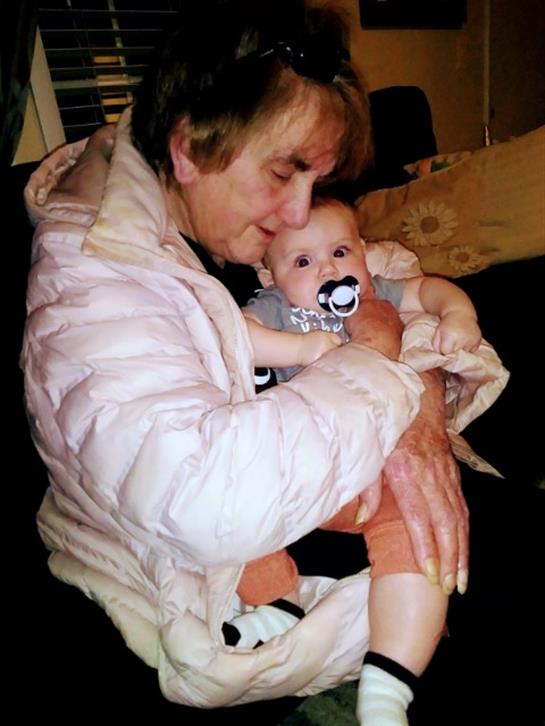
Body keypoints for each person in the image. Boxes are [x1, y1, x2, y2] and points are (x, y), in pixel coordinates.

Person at [21, 0, 508, 721]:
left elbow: (385, 287)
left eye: (315, 182)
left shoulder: (214, 217)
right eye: (284, 174)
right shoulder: (93, 283)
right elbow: (212, 502)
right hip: (230, 547)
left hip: (332, 483)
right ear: (188, 149)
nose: (298, 213)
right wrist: (379, 360)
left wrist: (417, 402)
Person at [233, 196, 481, 723]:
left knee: (416, 523)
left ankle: (390, 680)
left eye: (341, 252)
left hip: (367, 476)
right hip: (292, 470)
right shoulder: (276, 308)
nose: (328, 270)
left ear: (363, 254)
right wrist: (298, 350)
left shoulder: (375, 293)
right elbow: (236, 338)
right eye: (303, 261)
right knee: (234, 501)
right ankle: (274, 602)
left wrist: (459, 313)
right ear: (269, 274)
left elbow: (430, 289)